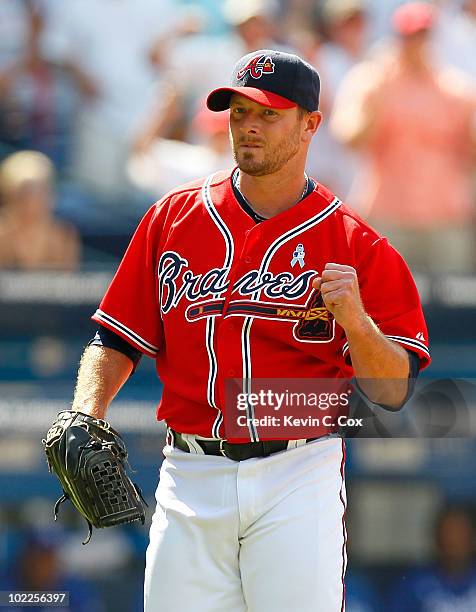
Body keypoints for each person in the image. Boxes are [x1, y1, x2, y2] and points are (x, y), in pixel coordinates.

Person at [70, 50, 430, 611]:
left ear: (311, 124)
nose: (249, 126)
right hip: (190, 470)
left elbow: (392, 390)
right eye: (239, 112)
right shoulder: (173, 217)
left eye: (268, 114)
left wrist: (356, 324)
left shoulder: (359, 245)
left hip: (297, 471)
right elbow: (116, 337)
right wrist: (85, 411)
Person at [330, 1, 476, 273]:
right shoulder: (371, 80)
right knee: (387, 303)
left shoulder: (456, 89)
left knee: (456, 304)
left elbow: (471, 154)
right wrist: (380, 96)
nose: (416, 44)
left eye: (422, 36)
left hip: (446, 215)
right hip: (389, 215)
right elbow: (349, 138)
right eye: (409, 37)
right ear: (397, 38)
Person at [0, 150, 80, 269]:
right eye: (26, 192)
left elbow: (68, 281)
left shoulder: (63, 236)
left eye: (42, 191)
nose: (34, 199)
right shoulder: (3, 233)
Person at [388, 506, 476, 611]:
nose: (453, 543)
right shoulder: (414, 585)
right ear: (437, 539)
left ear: (472, 539)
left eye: (460, 535)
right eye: (447, 535)